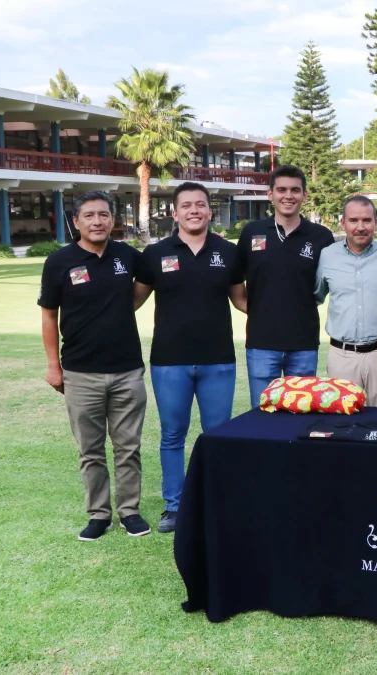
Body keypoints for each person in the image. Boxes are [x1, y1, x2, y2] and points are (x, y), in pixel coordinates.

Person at [133, 182, 246, 534]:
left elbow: (242, 301)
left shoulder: (228, 253)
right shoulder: (155, 254)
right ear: (175, 212)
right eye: (187, 205)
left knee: (216, 435)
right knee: (172, 435)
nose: (194, 210)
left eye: (200, 204)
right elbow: (130, 302)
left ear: (209, 211)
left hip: (218, 361)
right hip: (169, 361)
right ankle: (175, 505)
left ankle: (216, 501)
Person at [38, 191, 151, 541]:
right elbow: (48, 314)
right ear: (76, 222)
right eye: (89, 215)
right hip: (80, 372)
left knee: (128, 447)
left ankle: (129, 510)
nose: (98, 221)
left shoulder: (128, 256)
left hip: (127, 369)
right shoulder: (59, 262)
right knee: (90, 450)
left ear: (113, 219)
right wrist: (53, 366)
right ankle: (99, 514)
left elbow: (144, 287)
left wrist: (119, 309)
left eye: (104, 214)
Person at [235, 165, 336, 408]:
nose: (288, 196)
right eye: (281, 190)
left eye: (295, 190)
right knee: (262, 416)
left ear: (305, 195)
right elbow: (235, 282)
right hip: (261, 344)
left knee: (300, 417)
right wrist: (260, 311)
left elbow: (329, 283)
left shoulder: (321, 236)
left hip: (303, 344)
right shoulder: (252, 232)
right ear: (270, 194)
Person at [315, 196, 377, 407]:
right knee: (343, 426)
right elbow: (315, 295)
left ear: (376, 223)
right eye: (353, 221)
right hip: (341, 356)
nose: (360, 227)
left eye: (366, 221)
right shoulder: (327, 255)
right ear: (343, 223)